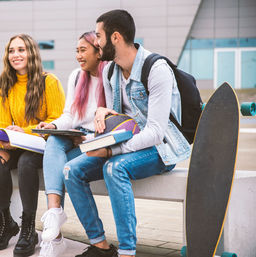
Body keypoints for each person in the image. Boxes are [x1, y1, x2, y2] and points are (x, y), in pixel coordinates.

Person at [63, 9, 191, 257]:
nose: (96, 43)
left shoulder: (156, 69)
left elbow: (155, 132)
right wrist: (102, 117)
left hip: (161, 149)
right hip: (125, 145)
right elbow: (121, 123)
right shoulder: (111, 71)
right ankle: (100, 245)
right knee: (71, 170)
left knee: (114, 168)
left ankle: (127, 251)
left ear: (115, 38)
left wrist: (111, 150)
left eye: (99, 36)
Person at [0, 34, 65, 257]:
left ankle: (28, 228)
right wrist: (5, 141)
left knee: (27, 162)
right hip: (17, 144)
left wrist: (26, 131)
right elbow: (1, 126)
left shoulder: (49, 81)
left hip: (45, 145)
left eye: (21, 50)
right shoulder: (5, 85)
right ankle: (4, 223)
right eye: (12, 51)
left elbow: (56, 121)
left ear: (31, 53)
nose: (16, 55)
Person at [36, 31, 107, 257]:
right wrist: (54, 126)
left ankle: (55, 239)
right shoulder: (77, 76)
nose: (78, 55)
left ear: (99, 51)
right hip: (77, 137)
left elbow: (116, 123)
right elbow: (69, 115)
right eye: (76, 51)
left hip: (97, 141)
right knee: (54, 139)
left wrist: (86, 138)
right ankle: (55, 213)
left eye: (83, 50)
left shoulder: (111, 77)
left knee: (60, 167)